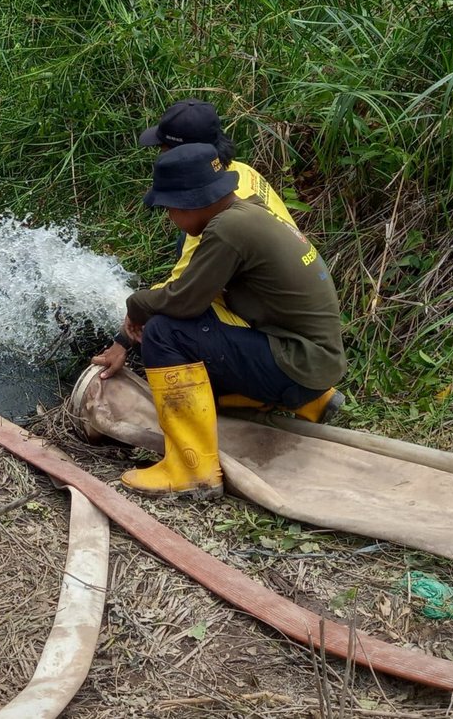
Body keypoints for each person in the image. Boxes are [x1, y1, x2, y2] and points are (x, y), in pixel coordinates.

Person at [101, 143, 347, 498]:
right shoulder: (247, 212)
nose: (170, 217)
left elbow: (181, 301)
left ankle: (192, 470)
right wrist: (126, 336)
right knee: (192, 342)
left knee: (164, 333)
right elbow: (194, 295)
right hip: (312, 359)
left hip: (299, 363)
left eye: (169, 208)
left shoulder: (228, 231)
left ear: (190, 202)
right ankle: (309, 401)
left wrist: (136, 304)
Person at [92, 98, 300, 383]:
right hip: (287, 315)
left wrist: (123, 340)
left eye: (164, 149)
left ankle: (201, 412)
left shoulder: (221, 227)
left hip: (282, 343)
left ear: (187, 155)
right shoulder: (240, 175)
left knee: (163, 329)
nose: (160, 156)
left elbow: (178, 294)